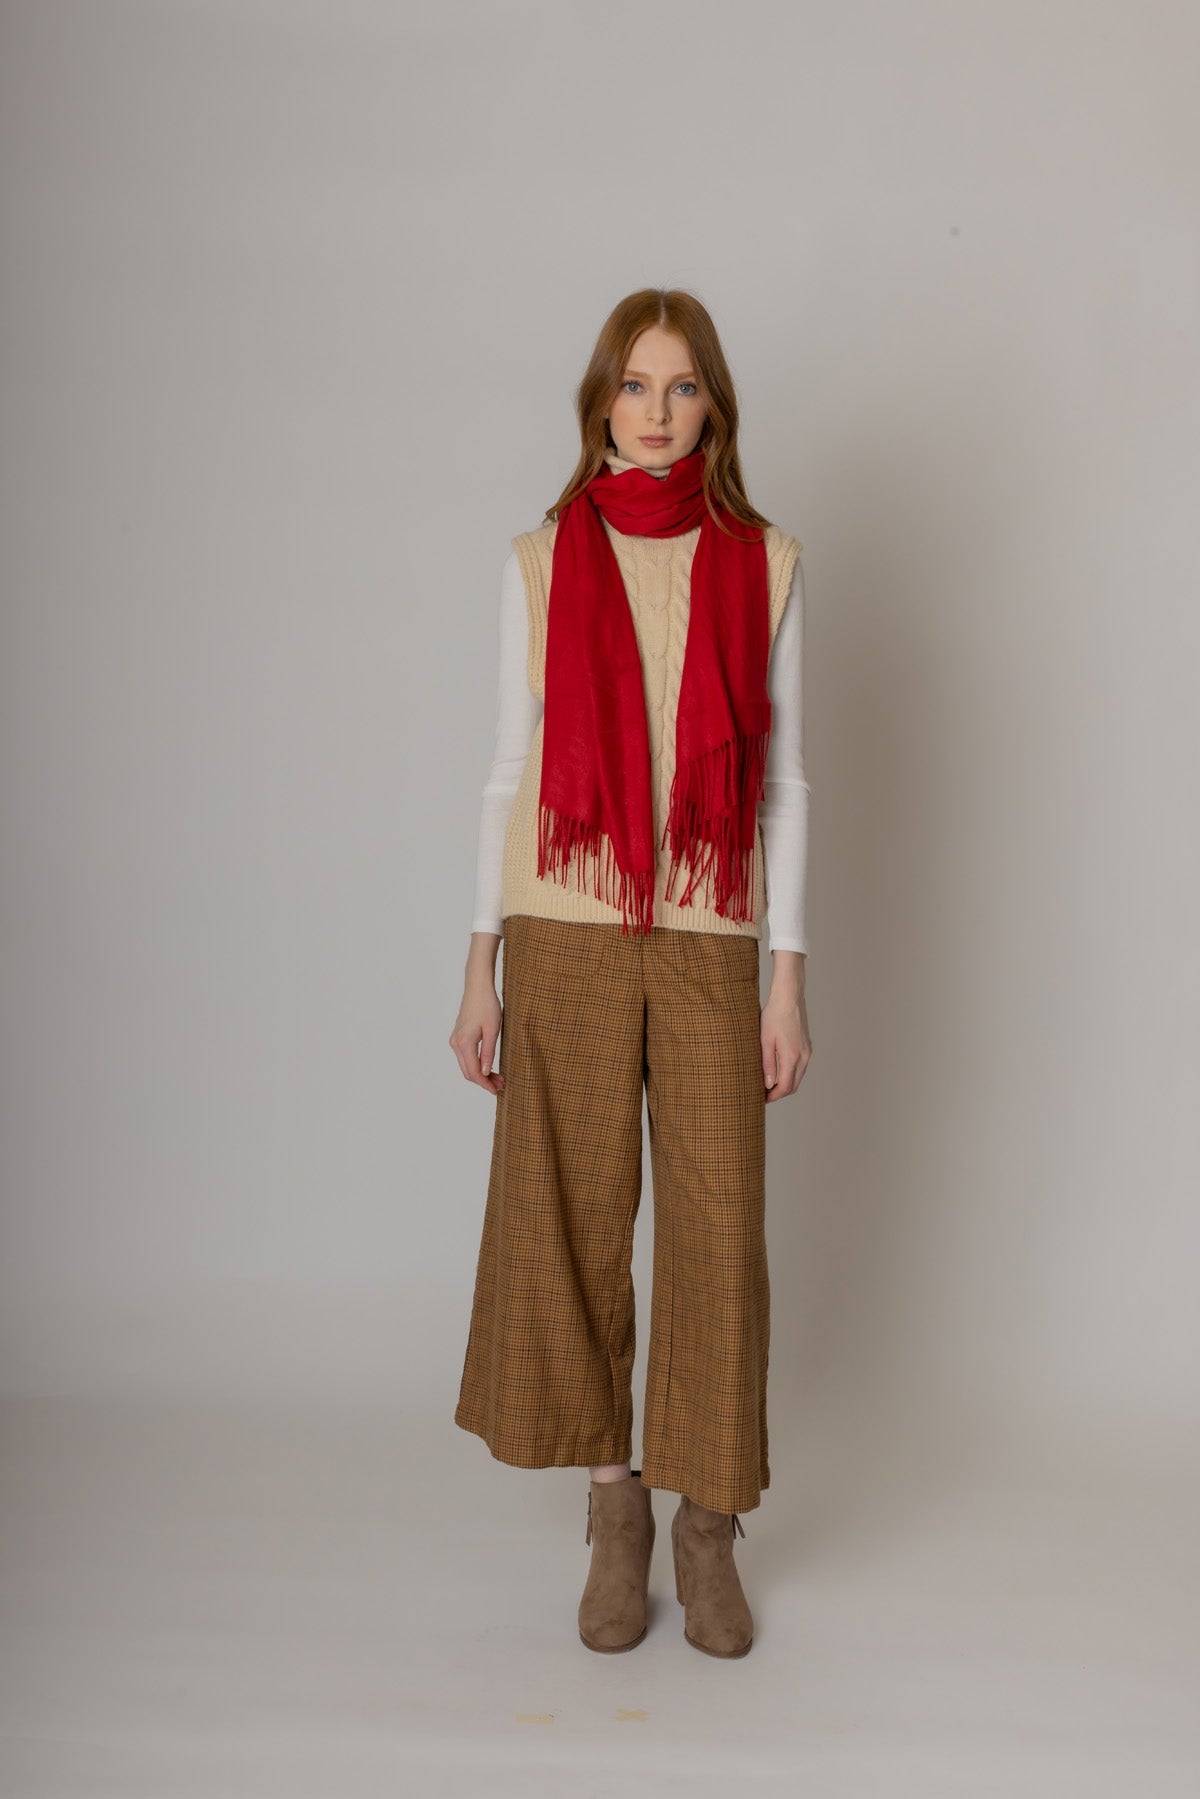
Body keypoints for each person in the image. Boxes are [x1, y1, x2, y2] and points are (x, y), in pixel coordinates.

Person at [448, 288, 812, 1659]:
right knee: (571, 1217)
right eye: (636, 384)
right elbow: (508, 770)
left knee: (720, 1229)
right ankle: (615, 1517)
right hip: (566, 925)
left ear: (715, 404)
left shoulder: (767, 562)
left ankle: (708, 1525)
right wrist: (479, 966)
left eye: (683, 386)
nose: (658, 412)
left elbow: (784, 785)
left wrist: (787, 979)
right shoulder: (543, 557)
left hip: (713, 935)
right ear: (601, 398)